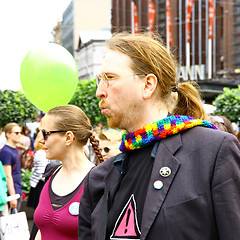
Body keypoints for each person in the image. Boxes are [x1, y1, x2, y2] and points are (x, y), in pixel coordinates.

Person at [78, 32, 240, 240]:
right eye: (100, 80)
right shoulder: (98, 178)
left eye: (109, 78)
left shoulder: (213, 151)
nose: (100, 91)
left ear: (148, 85)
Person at [33, 105, 103, 240]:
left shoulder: (98, 181)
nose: (41, 140)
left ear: (68, 137)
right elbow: (42, 230)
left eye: (45, 133)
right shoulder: (51, 172)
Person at [0, 123, 23, 212]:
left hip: (17, 188)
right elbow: (7, 175)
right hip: (11, 192)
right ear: (8, 134)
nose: (19, 135)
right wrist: (12, 196)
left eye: (20, 132)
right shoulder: (6, 151)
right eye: (16, 133)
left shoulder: (15, 148)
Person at [27, 131, 50, 210]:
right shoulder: (41, 153)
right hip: (39, 184)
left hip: (38, 184)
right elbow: (41, 171)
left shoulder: (40, 152)